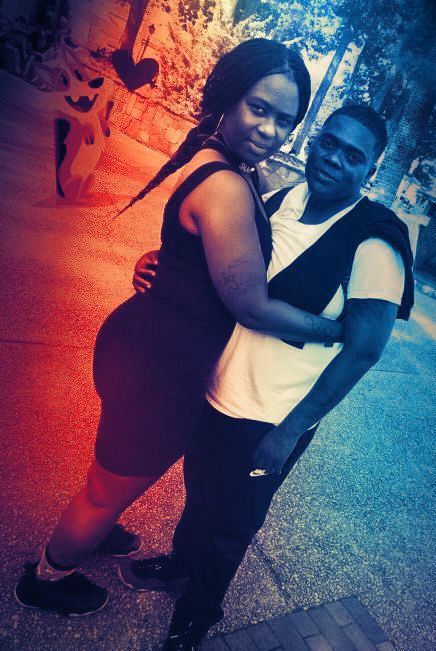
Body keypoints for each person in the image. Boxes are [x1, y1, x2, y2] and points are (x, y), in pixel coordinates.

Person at [15, 38, 348, 617]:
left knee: (124, 467)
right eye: (259, 108)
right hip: (159, 365)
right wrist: (335, 330)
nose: (271, 130)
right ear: (230, 97)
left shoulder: (229, 166)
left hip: (152, 349)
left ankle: (97, 524)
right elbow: (251, 305)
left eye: (285, 120)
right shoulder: (226, 183)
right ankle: (48, 574)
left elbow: (194, 252)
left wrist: (160, 263)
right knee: (108, 484)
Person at [123, 104, 415, 650]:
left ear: (371, 170)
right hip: (216, 389)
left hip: (272, 415)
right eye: (330, 142)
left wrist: (289, 432)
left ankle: (197, 615)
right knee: (200, 493)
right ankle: (181, 562)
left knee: (234, 524)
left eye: (354, 156)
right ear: (315, 140)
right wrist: (157, 264)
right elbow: (222, 270)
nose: (335, 158)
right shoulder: (281, 200)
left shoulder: (374, 242)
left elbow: (363, 350)